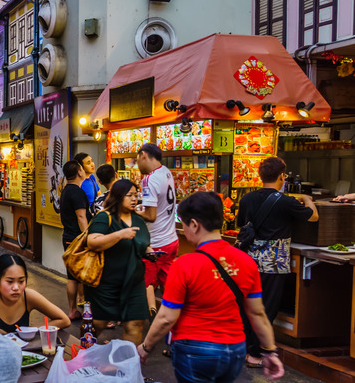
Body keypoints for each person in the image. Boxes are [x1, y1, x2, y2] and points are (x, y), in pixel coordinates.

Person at [139, 192, 285, 383]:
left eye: (183, 224)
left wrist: (146, 347)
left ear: (194, 224)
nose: (183, 229)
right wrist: (269, 352)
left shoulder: (184, 264)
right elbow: (257, 314)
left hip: (194, 348)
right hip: (233, 349)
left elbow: (167, 317)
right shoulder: (247, 262)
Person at [237, 157, 318, 366]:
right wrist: (308, 200)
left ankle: (245, 349)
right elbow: (313, 217)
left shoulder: (247, 199)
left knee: (247, 306)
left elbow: (241, 224)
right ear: (282, 176)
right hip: (273, 263)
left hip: (248, 262)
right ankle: (255, 355)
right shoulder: (286, 202)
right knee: (267, 308)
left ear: (260, 176)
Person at [84, 179, 150, 345]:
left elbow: (143, 245)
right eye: (130, 195)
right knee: (98, 323)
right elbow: (92, 242)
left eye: (136, 195)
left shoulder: (139, 220)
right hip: (105, 283)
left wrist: (151, 253)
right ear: (118, 197)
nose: (135, 199)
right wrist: (119, 235)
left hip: (134, 282)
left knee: (135, 323)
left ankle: (126, 366)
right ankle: (83, 355)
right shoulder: (104, 217)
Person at [136, 143, 178, 319]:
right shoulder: (166, 172)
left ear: (143, 155)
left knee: (141, 286)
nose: (137, 163)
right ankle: (172, 324)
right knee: (170, 291)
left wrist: (133, 210)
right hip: (172, 240)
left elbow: (151, 215)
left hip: (156, 245)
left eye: (137, 159)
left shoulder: (149, 179)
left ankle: (145, 325)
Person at [0, 254, 71, 334]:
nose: (16, 288)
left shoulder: (28, 296)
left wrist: (30, 331)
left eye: (21, 281)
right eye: (10, 282)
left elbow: (64, 320)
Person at [59, 160, 91, 320]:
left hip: (69, 237)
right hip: (77, 239)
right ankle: (78, 310)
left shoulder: (66, 190)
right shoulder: (77, 192)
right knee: (82, 276)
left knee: (72, 276)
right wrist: (87, 237)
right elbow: (81, 216)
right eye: (82, 168)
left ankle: (73, 310)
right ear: (79, 172)